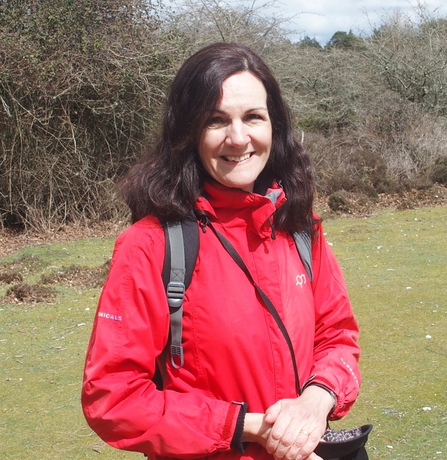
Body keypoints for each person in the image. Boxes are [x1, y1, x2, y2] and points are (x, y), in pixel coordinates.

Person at [81, 42, 361, 460]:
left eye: (253, 117)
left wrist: (316, 401)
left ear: (275, 126)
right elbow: (113, 398)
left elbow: (337, 335)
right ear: (188, 133)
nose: (238, 138)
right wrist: (249, 427)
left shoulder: (301, 227)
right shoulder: (152, 244)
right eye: (216, 120)